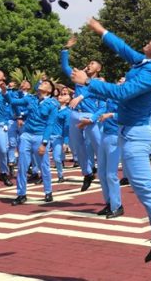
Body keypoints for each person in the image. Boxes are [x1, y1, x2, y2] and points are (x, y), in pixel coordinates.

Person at [70, 18, 151, 275]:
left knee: (144, 185)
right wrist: (102, 31)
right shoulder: (146, 62)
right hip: (129, 132)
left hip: (136, 134)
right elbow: (123, 49)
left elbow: (122, 93)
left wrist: (88, 82)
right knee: (138, 184)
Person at [62, 36, 104, 192]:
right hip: (74, 115)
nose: (89, 65)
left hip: (90, 116)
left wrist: (93, 118)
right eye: (89, 63)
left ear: (98, 69)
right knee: (76, 146)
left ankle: (104, 169)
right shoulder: (79, 78)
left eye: (92, 63)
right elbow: (66, 67)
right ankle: (87, 173)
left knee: (98, 144)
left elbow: (104, 105)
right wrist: (66, 49)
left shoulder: (100, 83)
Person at [7, 79, 59, 204]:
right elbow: (12, 101)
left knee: (44, 166)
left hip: (40, 136)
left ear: (50, 90)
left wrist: (44, 143)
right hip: (26, 135)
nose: (42, 83)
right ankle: (21, 194)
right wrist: (5, 92)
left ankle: (48, 191)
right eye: (42, 82)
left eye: (46, 83)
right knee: (22, 165)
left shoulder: (52, 104)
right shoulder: (31, 98)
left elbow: (50, 124)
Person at [94, 83, 124, 219]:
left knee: (111, 174)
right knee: (101, 172)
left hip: (114, 135)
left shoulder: (124, 99)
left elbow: (125, 116)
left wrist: (111, 115)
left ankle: (117, 206)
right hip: (105, 135)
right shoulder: (108, 98)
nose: (118, 83)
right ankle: (109, 203)